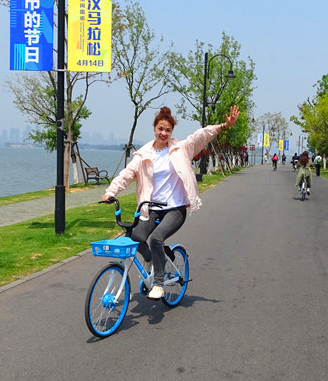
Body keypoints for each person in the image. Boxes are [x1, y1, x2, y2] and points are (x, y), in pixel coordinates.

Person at [103, 105, 241, 300]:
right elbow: (127, 174)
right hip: (152, 209)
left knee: (156, 238)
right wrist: (110, 192)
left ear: (171, 132)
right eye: (160, 128)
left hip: (175, 209)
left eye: (167, 130)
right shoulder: (144, 154)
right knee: (135, 237)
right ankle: (153, 259)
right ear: (154, 129)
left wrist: (223, 126)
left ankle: (158, 284)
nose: (163, 133)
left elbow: (200, 136)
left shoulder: (180, 149)